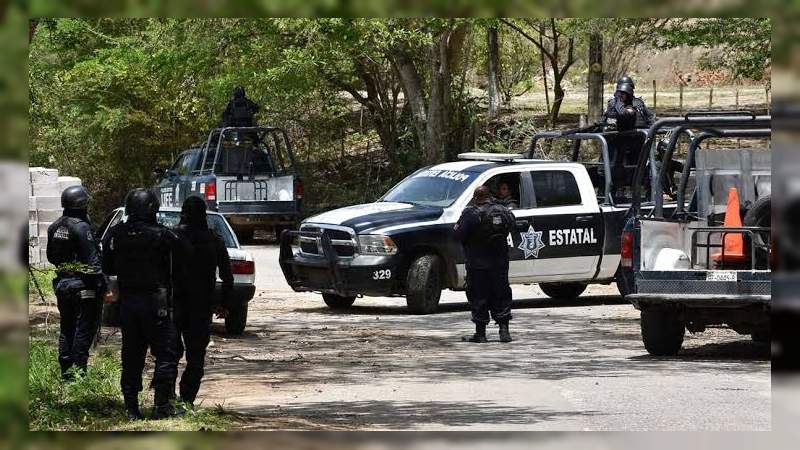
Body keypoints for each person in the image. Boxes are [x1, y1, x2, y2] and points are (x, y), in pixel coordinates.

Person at [102, 188, 184, 420]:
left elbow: (106, 267)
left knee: (132, 355)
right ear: (152, 208)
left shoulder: (116, 234)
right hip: (155, 303)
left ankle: (131, 408)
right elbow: (185, 254)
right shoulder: (161, 234)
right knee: (167, 353)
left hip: (128, 304)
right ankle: (161, 405)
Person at [171, 196, 233, 407]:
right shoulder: (214, 240)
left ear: (183, 213)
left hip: (174, 304)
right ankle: (187, 401)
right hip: (201, 306)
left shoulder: (171, 237)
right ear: (204, 215)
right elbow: (227, 276)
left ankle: (166, 399)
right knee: (196, 356)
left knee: (169, 353)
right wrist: (224, 303)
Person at [46, 185, 104, 381]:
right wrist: (101, 285)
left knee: (67, 327)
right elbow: (93, 264)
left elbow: (51, 258)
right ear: (81, 204)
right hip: (82, 287)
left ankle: (66, 370)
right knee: (83, 329)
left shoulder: (54, 226)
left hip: (63, 285)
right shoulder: (81, 227)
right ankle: (79, 372)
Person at [453, 186, 516, 343]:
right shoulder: (503, 211)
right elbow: (513, 228)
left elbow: (458, 234)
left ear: (476, 198)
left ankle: (480, 334)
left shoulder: (470, 213)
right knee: (501, 294)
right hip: (499, 263)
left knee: (478, 296)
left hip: (477, 264)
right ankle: (504, 331)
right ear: (490, 196)